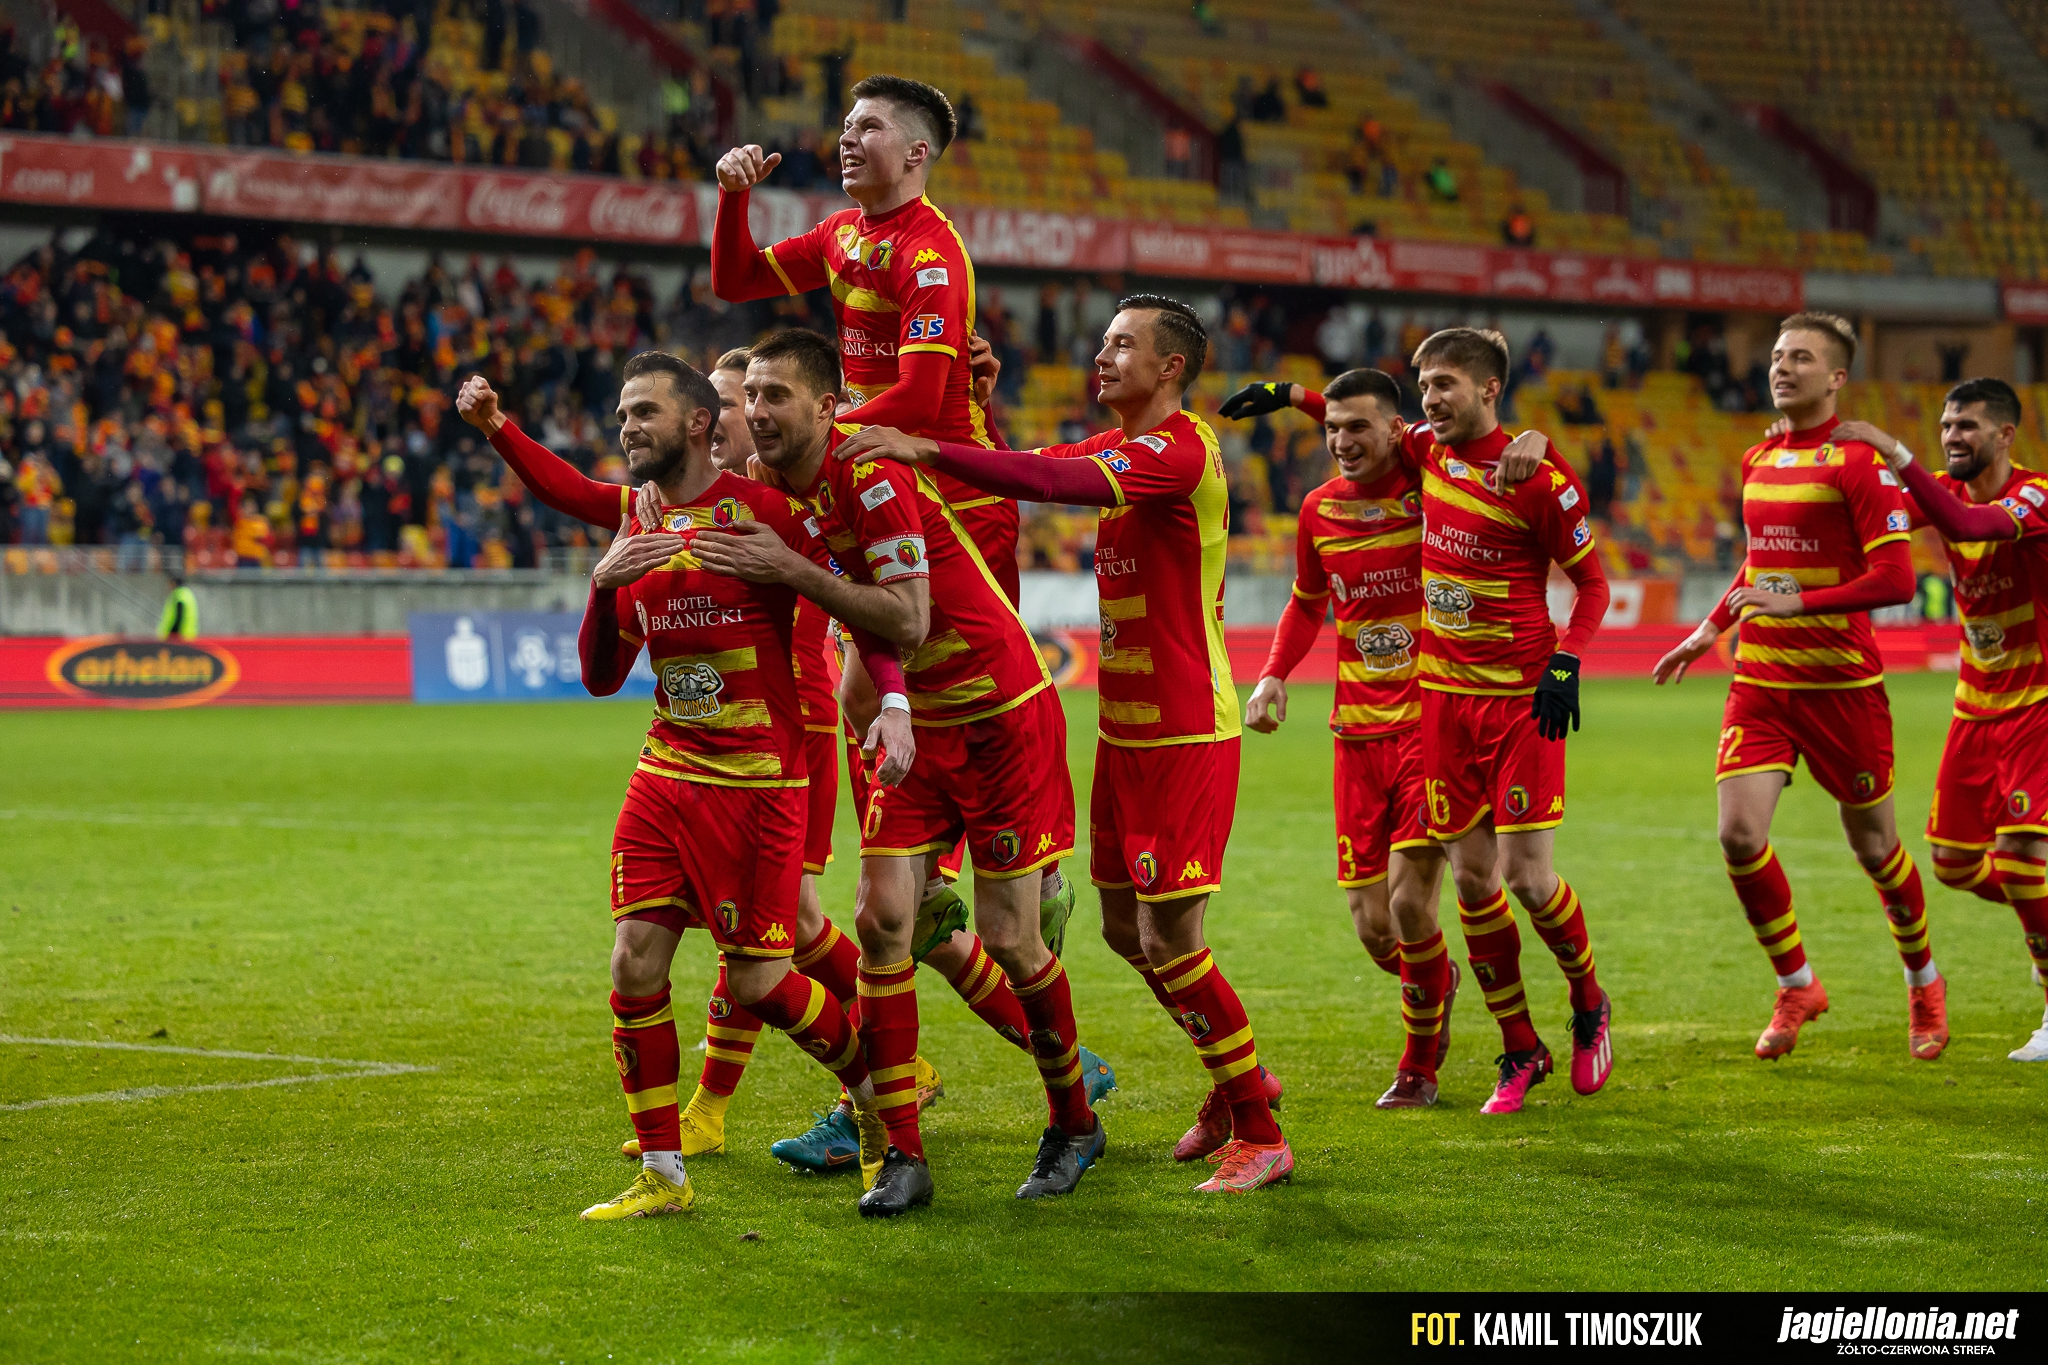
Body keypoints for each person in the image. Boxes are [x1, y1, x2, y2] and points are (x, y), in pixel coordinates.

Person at [842, 296, 1300, 1193]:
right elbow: (1025, 471)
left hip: (1186, 730)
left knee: (1173, 939)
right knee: (1128, 931)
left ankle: (1259, 1126)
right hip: (1125, 729)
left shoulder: (1180, 450)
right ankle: (1233, 1074)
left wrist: (925, 443)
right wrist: (972, 417)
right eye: (1102, 342)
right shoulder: (1123, 446)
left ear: (1171, 366)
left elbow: (1054, 484)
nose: (1102, 355)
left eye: (1122, 344)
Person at [702, 329, 1103, 1216]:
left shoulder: (869, 473)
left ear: (827, 408)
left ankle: (1074, 1119)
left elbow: (909, 618)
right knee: (882, 921)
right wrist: (883, 695)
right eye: (749, 396)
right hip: (914, 726)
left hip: (997, 714)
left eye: (774, 395)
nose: (757, 411)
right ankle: (902, 1153)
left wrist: (795, 573)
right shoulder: (776, 484)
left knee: (1010, 939)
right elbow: (863, 619)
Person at [559, 351, 913, 1221]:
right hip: (666, 771)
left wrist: (893, 700)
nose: (625, 427)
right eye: (620, 414)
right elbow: (600, 676)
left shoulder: (771, 515)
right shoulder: (637, 524)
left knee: (760, 984)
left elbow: (866, 610)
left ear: (695, 424)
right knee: (632, 963)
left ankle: (873, 1102)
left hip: (758, 779)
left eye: (642, 412)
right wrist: (604, 585)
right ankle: (663, 1173)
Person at [1221, 371, 1548, 1107]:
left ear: (1398, 433)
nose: (1341, 441)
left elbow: (1470, 440)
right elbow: (1307, 601)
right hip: (1355, 734)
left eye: (1358, 429)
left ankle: (1418, 1067)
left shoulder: (1426, 486)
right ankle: (1439, 981)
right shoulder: (1318, 509)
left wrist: (1535, 439)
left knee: (1408, 904)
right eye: (1331, 429)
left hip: (1429, 723)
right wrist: (1272, 674)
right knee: (1375, 927)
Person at [1653, 312, 1936, 1062]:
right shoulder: (1760, 455)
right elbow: (1758, 562)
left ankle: (1923, 980)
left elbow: (1897, 578)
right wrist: (1710, 628)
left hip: (1842, 684)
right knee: (1739, 835)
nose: (1783, 366)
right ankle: (1797, 984)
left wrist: (1800, 603)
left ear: (1837, 377)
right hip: (1762, 678)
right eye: (1778, 355)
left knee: (1876, 848)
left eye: (1802, 357)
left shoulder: (1859, 463)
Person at [1396, 328, 1614, 1114]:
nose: (1430, 398)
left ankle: (1588, 999)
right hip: (1442, 702)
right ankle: (1520, 1046)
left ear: (1489, 389)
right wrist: (1293, 397)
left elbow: (1594, 585)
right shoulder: (1426, 450)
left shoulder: (1539, 479)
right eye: (1424, 384)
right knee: (1472, 879)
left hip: (1521, 702)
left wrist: (1567, 662)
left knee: (1528, 878)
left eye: (1445, 383)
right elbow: (1357, 418)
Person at [708, 75, 1021, 609]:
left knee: (963, 660)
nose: (847, 139)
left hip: (959, 497)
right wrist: (734, 197)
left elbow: (918, 402)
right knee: (870, 656)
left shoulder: (930, 256)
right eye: (847, 127)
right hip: (879, 479)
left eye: (869, 127)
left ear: (915, 153)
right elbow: (737, 281)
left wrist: (806, 438)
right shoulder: (839, 233)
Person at [1804, 380, 2048, 1062]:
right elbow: (1864, 518)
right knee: (1954, 863)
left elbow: (1969, 526)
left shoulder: (2034, 495)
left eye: (1967, 426)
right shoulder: (1940, 490)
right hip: (1976, 703)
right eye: (1945, 426)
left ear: (2005, 435)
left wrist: (1893, 449)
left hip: (2039, 699)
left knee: (2022, 861)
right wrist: (1798, 459)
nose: (1952, 437)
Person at [157, 574, 199, 640]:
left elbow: (179, 617)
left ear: (173, 583)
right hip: (188, 636)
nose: (168, 587)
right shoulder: (187, 593)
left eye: (169, 584)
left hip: (179, 637)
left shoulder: (178, 595)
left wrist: (172, 635)